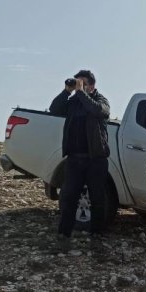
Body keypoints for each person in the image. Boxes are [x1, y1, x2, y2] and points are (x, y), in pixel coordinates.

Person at [49, 70, 111, 241]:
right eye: (77, 83)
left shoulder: (100, 100)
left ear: (91, 86)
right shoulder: (73, 103)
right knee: (68, 197)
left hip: (95, 159)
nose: (79, 87)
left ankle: (97, 233)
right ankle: (64, 233)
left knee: (97, 197)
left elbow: (99, 111)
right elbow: (54, 109)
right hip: (75, 159)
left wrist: (82, 93)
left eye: (82, 84)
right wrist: (67, 91)